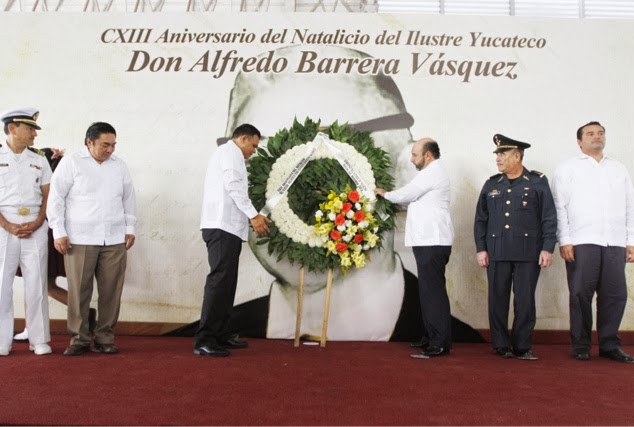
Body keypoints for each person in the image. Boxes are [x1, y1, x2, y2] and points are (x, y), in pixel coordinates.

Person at [167, 45, 483, 345]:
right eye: (261, 153)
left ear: (402, 165)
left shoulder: (466, 339)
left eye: (324, 149)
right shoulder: (229, 160)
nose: (298, 188)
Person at [552, 121, 634, 363]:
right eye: (590, 134)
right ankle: (580, 345)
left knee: (615, 295)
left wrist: (632, 240)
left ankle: (610, 345)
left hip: (615, 241)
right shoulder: (567, 169)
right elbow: (560, 206)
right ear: (579, 141)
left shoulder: (618, 169)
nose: (596, 137)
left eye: (600, 133)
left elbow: (631, 206)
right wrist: (565, 240)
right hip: (581, 240)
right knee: (580, 294)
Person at [47, 122, 136, 356]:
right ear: (89, 142)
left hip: (115, 238)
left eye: (113, 145)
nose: (110, 150)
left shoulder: (120, 166)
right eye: (105, 145)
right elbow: (56, 199)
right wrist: (59, 231)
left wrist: (130, 227)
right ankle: (79, 339)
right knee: (79, 291)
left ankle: (105, 337)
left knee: (111, 292)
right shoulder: (71, 163)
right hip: (79, 238)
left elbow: (128, 199)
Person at [474, 134, 557, 360]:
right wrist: (481, 248)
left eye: (503, 154)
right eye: (497, 155)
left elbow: (548, 217)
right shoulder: (491, 184)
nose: (498, 158)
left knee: (525, 300)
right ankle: (501, 344)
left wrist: (548, 247)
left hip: (528, 253)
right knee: (497, 299)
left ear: (517, 156)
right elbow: (481, 219)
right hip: (497, 251)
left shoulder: (538, 182)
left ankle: (522, 345)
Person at [194, 123, 271, 358]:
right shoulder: (230, 152)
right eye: (254, 146)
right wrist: (254, 215)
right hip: (221, 227)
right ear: (243, 138)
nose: (254, 151)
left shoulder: (231, 154)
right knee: (219, 282)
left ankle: (220, 334)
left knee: (227, 283)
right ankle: (205, 339)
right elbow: (234, 187)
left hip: (227, 228)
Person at [375, 138, 454, 358]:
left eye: (415, 155)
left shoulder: (433, 172)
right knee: (428, 291)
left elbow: (407, 193)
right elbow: (412, 199)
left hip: (433, 241)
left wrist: (384, 194)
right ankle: (432, 336)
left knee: (433, 292)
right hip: (427, 240)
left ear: (428, 155)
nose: (412, 159)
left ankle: (439, 342)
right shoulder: (429, 174)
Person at [13, 148, 99, 341]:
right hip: (53, 234)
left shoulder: (44, 186)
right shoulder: (57, 183)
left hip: (43, 234)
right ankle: (84, 312)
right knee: (45, 284)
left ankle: (32, 327)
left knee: (36, 283)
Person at [0, 108, 52, 356]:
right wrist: (8, 225)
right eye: (30, 128)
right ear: (12, 128)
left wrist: (39, 220)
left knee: (37, 283)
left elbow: (47, 196)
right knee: (1, 284)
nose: (34, 134)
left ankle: (39, 339)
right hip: (3, 226)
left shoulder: (39, 159)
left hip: (35, 224)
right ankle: (2, 340)